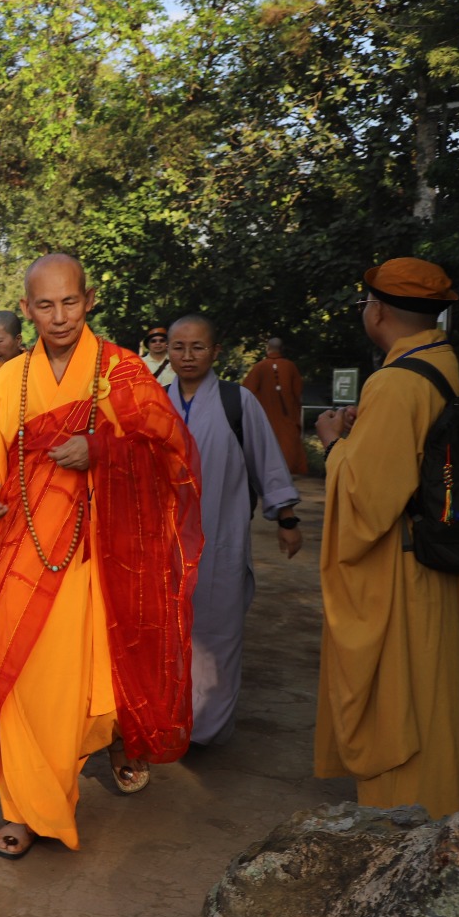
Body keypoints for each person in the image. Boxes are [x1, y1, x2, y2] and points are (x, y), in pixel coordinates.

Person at [0, 254, 201, 860]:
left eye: (69, 302)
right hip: (20, 549)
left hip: (93, 559)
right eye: (44, 305)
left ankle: (44, 805)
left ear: (88, 300)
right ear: (28, 306)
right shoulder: (9, 378)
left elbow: (171, 452)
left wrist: (100, 449)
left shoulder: (120, 372)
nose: (59, 316)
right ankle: (21, 804)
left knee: (65, 684)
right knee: (9, 673)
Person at [313, 257, 459, 818]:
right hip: (455, 566)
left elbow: (367, 503)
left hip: (410, 571)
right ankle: (458, 816)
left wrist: (333, 444)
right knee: (449, 695)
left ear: (377, 312)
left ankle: (411, 835)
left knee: (412, 703)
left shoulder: (395, 384)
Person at [166, 315, 302, 746]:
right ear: (168, 351)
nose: (187, 356)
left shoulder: (236, 401)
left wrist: (287, 519)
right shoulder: (152, 401)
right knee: (166, 637)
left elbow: (267, 461)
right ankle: (166, 724)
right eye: (179, 347)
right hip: (163, 544)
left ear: (216, 351)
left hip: (218, 537)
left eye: (198, 347)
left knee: (218, 636)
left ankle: (203, 732)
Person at [242, 337, 309, 476]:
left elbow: (246, 392)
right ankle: (287, 473)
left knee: (265, 444)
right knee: (288, 444)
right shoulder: (290, 366)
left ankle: (266, 472)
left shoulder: (259, 367)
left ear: (267, 349)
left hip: (265, 416)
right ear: (282, 349)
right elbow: (298, 392)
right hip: (287, 415)